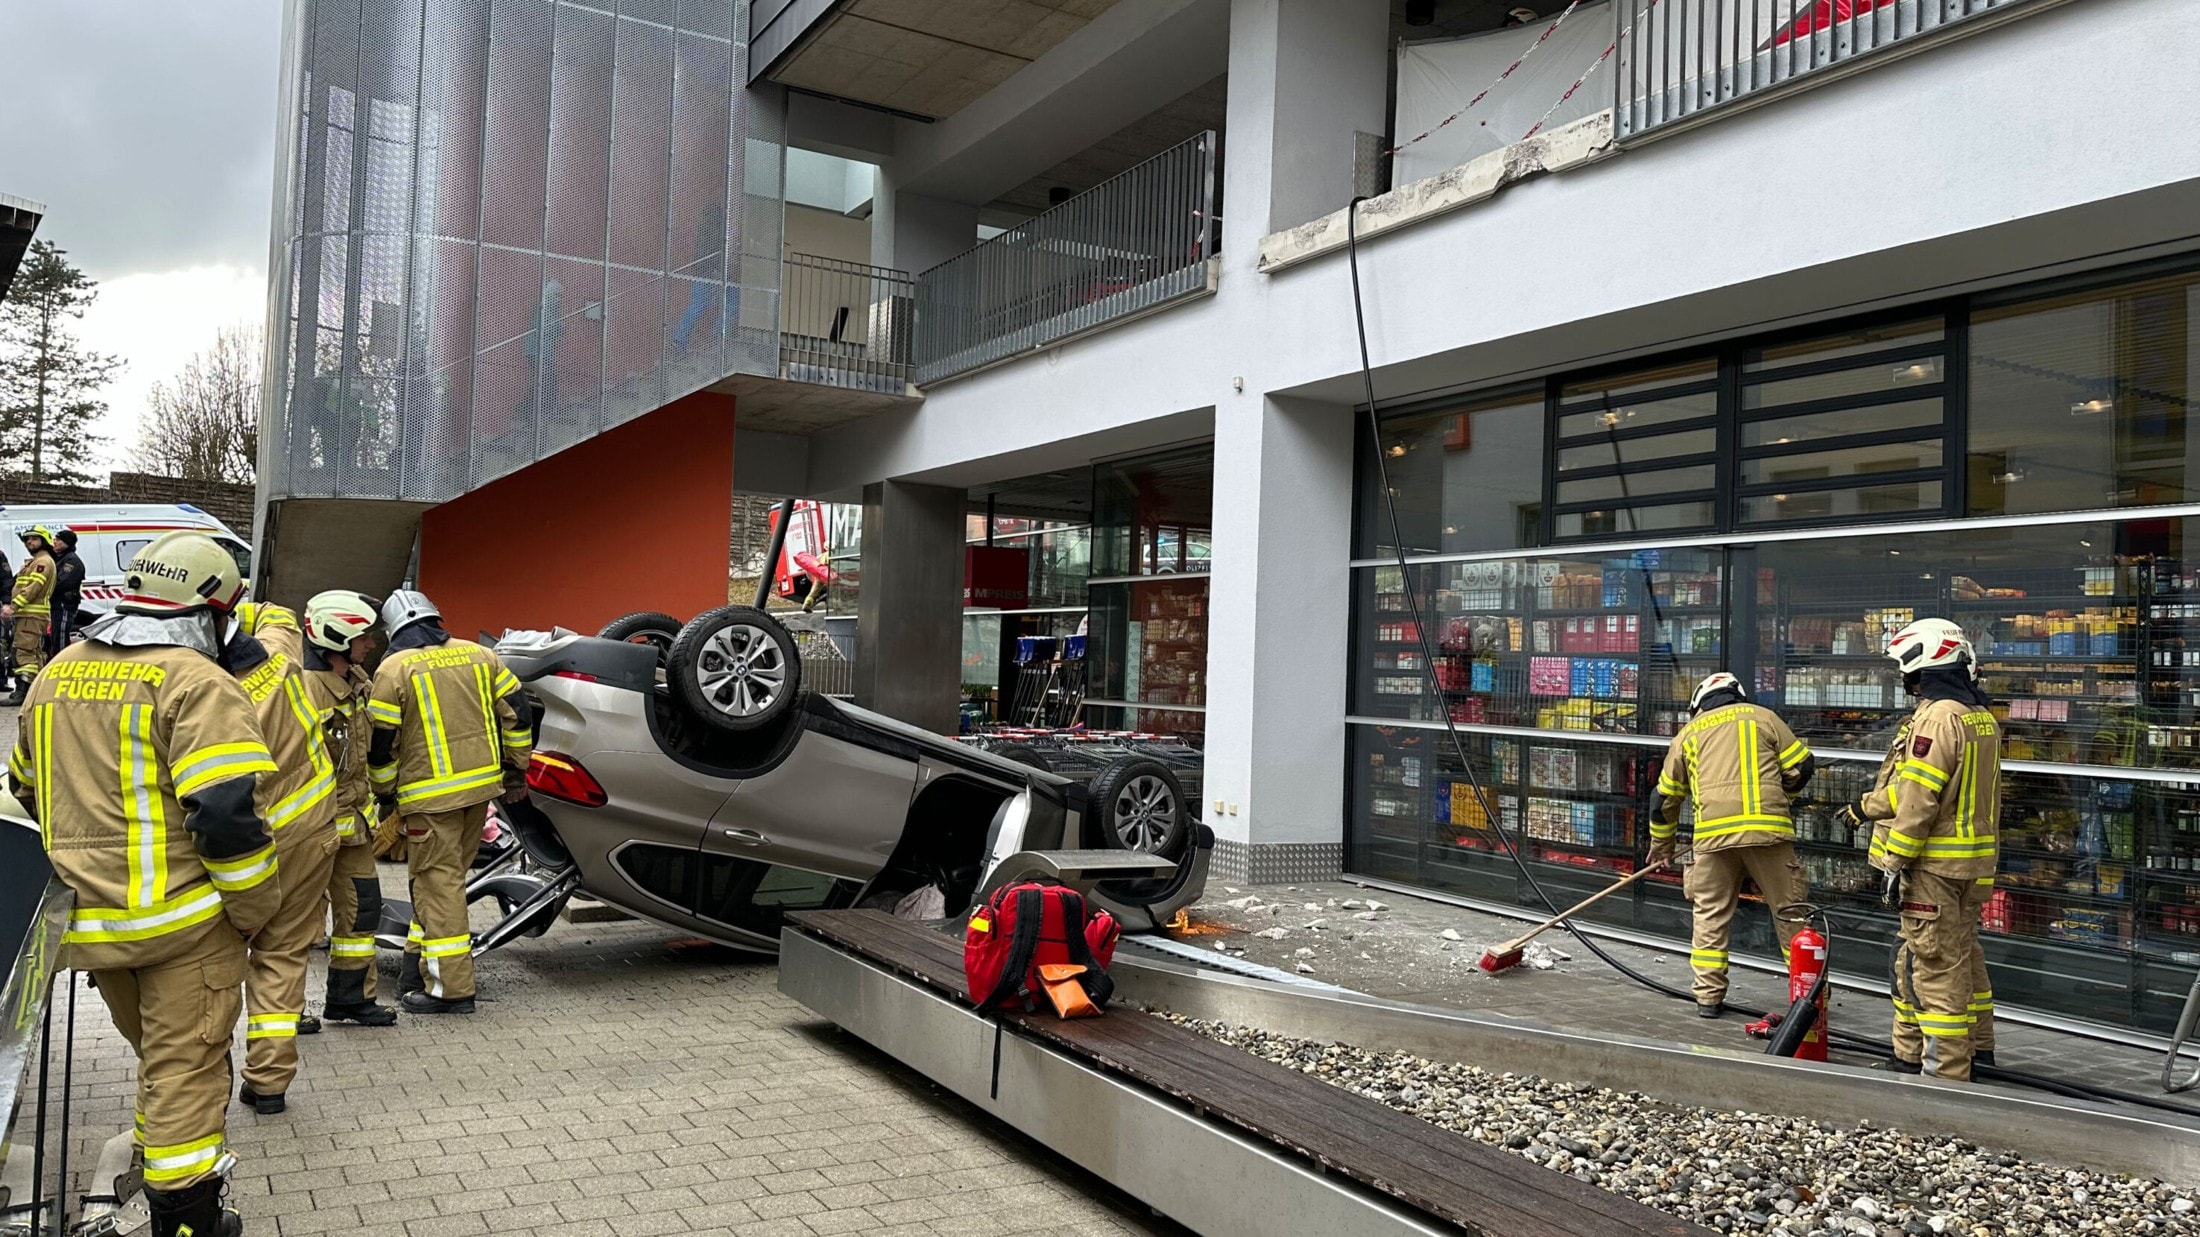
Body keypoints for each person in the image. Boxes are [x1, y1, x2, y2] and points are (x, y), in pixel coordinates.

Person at [7, 530, 278, 1237]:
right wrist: (253, 908)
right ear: (216, 609)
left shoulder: (58, 671)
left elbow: (25, 788)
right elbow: (224, 812)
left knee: (158, 1068)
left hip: (90, 930)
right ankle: (186, 1224)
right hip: (182, 928)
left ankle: (156, 1190)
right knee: (187, 1076)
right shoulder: (197, 682)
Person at [1840, 617, 2002, 1082]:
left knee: (1932, 966)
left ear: (1924, 662)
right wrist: (1868, 807)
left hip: (1931, 866)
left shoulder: (1937, 718)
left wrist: (1895, 861)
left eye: (1904, 669)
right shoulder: (1979, 717)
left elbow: (1919, 799)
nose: (1903, 679)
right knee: (1962, 956)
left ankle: (1944, 1074)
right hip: (1970, 864)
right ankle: (1977, 1050)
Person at [367, 589, 532, 1014]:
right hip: (480, 794)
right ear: (436, 620)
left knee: (437, 889)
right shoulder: (481, 656)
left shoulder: (392, 670)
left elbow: (381, 748)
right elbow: (519, 712)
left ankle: (451, 990)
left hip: (428, 801)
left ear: (394, 630)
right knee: (444, 884)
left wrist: (385, 795)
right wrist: (515, 770)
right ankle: (417, 966)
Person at [225, 602, 342, 1114]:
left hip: (237, 842)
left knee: (214, 961)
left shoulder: (201, 694)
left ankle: (198, 1080)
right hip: (309, 833)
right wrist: (236, 602)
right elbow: (278, 615)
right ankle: (269, 1081)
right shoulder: (280, 659)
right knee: (283, 954)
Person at [1649, 671, 1816, 1019]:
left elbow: (1664, 797)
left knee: (1710, 915)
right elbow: (1802, 766)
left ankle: (1708, 999)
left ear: (1698, 704)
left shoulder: (1688, 734)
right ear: (1737, 695)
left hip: (1713, 838)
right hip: (1766, 833)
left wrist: (1662, 844)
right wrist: (1783, 797)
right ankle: (1809, 999)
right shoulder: (1764, 718)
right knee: (1790, 913)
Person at [299, 589, 398, 1027]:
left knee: (363, 907)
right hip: (311, 829)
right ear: (335, 638)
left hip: (353, 826)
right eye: (363, 637)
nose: (371, 644)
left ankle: (351, 998)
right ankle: (286, 1009)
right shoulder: (303, 691)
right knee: (299, 923)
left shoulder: (357, 680)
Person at [4, 526, 58, 705]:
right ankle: (37, 691)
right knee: (34, 653)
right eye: (27, 539)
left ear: (43, 541)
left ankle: (23, 692)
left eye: (34, 539)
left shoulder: (43, 562)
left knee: (24, 652)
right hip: (28, 615)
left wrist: (14, 606)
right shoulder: (35, 562)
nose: (29, 542)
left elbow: (34, 588)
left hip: (31, 615)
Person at [48, 528, 86, 656]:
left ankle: (61, 658)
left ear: (67, 543)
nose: (55, 542)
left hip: (64, 603)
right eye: (55, 539)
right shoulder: (60, 558)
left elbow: (62, 582)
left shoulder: (71, 561)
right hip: (57, 604)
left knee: (61, 634)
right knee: (55, 633)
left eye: (59, 540)